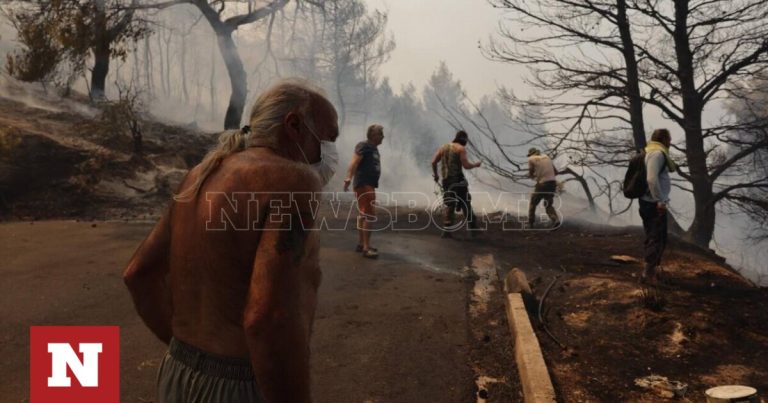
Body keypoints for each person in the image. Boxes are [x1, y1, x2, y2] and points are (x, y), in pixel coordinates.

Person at [123, 80, 339, 403]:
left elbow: (138, 274)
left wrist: (192, 353)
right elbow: (269, 319)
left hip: (177, 372)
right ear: (294, 125)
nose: (331, 152)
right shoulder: (295, 180)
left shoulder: (201, 173)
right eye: (328, 138)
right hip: (240, 388)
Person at [639, 128, 676, 284]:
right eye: (669, 139)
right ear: (664, 140)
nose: (671, 143)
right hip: (654, 203)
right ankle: (647, 275)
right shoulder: (657, 154)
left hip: (650, 201)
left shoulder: (651, 151)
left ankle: (651, 272)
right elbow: (652, 180)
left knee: (656, 237)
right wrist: (660, 200)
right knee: (656, 238)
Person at [343, 124, 384, 258]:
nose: (383, 136)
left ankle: (362, 244)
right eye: (380, 134)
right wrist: (348, 177)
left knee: (363, 214)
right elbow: (354, 162)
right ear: (373, 135)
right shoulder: (364, 146)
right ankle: (366, 248)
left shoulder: (373, 149)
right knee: (370, 215)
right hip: (364, 183)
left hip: (369, 184)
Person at [431, 130, 482, 238]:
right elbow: (466, 166)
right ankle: (473, 229)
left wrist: (436, 175)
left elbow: (433, 162)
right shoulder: (460, 149)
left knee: (450, 203)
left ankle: (446, 231)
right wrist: (475, 165)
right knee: (465, 202)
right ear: (464, 139)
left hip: (446, 180)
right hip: (457, 180)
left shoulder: (443, 147)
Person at [527, 147, 560, 229]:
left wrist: (534, 176)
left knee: (533, 203)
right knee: (548, 205)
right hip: (552, 183)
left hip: (542, 184)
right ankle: (556, 220)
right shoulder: (547, 157)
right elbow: (556, 172)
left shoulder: (531, 159)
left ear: (531, 154)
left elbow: (531, 173)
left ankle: (530, 223)